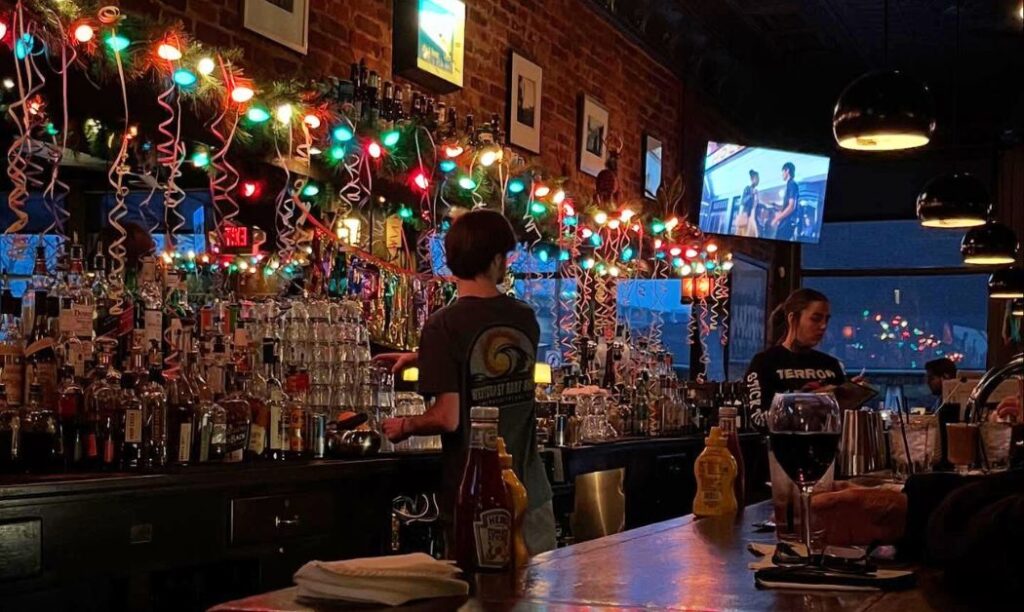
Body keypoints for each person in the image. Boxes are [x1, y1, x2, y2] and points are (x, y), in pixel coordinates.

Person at [376, 210, 556, 556]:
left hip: (474, 496)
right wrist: (422, 355)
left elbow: (447, 417)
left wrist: (405, 425)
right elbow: (491, 359)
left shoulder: (442, 326)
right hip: (532, 492)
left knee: (480, 599)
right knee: (538, 597)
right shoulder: (525, 318)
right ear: (496, 260)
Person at [745, 288, 848, 431]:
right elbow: (758, 420)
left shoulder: (831, 364)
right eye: (816, 318)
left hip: (827, 448)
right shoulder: (765, 362)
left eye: (826, 319)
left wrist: (853, 392)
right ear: (793, 319)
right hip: (784, 449)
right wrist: (808, 400)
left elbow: (844, 419)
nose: (823, 326)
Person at [771, 162, 799, 241]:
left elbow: (791, 207)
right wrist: (777, 206)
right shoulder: (790, 184)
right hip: (787, 222)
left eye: (782, 172)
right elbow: (788, 206)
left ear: (787, 171)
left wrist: (777, 218)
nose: (782, 175)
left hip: (787, 223)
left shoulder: (792, 184)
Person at [733, 170, 760, 238]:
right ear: (752, 179)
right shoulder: (747, 188)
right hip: (745, 216)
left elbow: (754, 205)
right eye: (757, 178)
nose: (758, 180)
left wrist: (756, 198)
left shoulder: (755, 190)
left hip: (751, 216)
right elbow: (742, 202)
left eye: (758, 179)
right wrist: (751, 195)